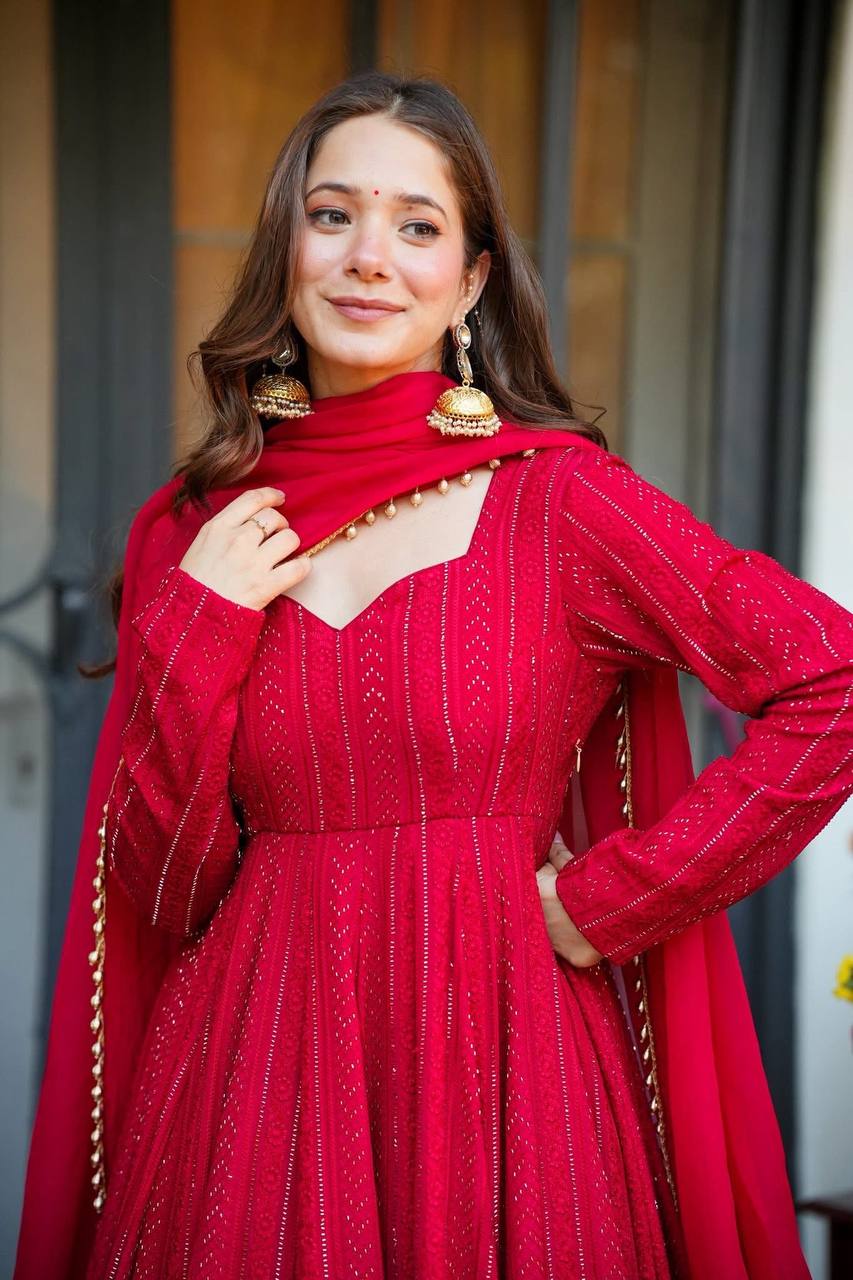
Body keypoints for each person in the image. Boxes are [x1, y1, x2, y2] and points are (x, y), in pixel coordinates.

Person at [14, 70, 853, 1280]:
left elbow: (828, 679)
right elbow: (168, 889)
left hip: (505, 1074)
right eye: (333, 214)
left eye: (417, 226)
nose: (369, 258)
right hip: (253, 1085)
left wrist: (614, 897)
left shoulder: (557, 501)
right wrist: (196, 624)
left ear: (467, 282)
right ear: (285, 250)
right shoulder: (197, 533)